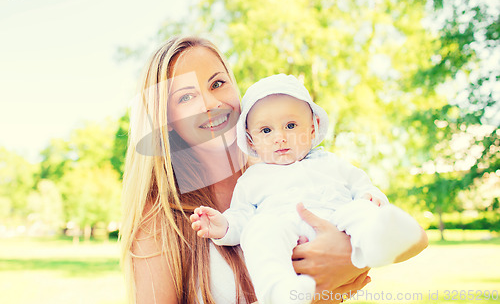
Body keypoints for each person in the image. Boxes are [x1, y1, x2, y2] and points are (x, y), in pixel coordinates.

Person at [120, 35, 384, 304]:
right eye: (186, 97)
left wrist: (348, 254)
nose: (210, 104)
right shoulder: (160, 219)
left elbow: (392, 230)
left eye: (217, 83)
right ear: (167, 120)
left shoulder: (287, 176)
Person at [190, 74, 429, 304]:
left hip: (338, 223)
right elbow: (242, 216)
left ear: (313, 128)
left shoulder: (331, 163)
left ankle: (377, 243)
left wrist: (371, 198)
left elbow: (362, 186)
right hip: (286, 233)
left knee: (359, 210)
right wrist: (224, 226)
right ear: (250, 140)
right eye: (266, 130)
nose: (280, 137)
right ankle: (279, 288)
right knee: (260, 230)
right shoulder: (252, 179)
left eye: (291, 125)